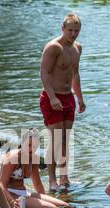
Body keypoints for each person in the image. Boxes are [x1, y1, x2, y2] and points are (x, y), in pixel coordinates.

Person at [40, 13, 86, 192]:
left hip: (68, 97)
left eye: (76, 30)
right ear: (63, 29)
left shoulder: (77, 48)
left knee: (66, 139)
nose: (73, 34)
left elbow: (75, 74)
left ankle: (64, 177)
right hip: (52, 97)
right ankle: (52, 180)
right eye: (70, 30)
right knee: (56, 139)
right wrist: (52, 97)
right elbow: (44, 73)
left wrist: (80, 98)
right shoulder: (53, 47)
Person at [0, 128, 69, 208]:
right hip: (10, 195)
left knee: (64, 205)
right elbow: (1, 185)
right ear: (22, 143)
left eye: (34, 146)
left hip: (24, 193)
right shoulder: (12, 158)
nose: (31, 149)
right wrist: (11, 202)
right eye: (29, 145)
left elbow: (37, 183)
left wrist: (43, 199)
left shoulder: (33, 158)